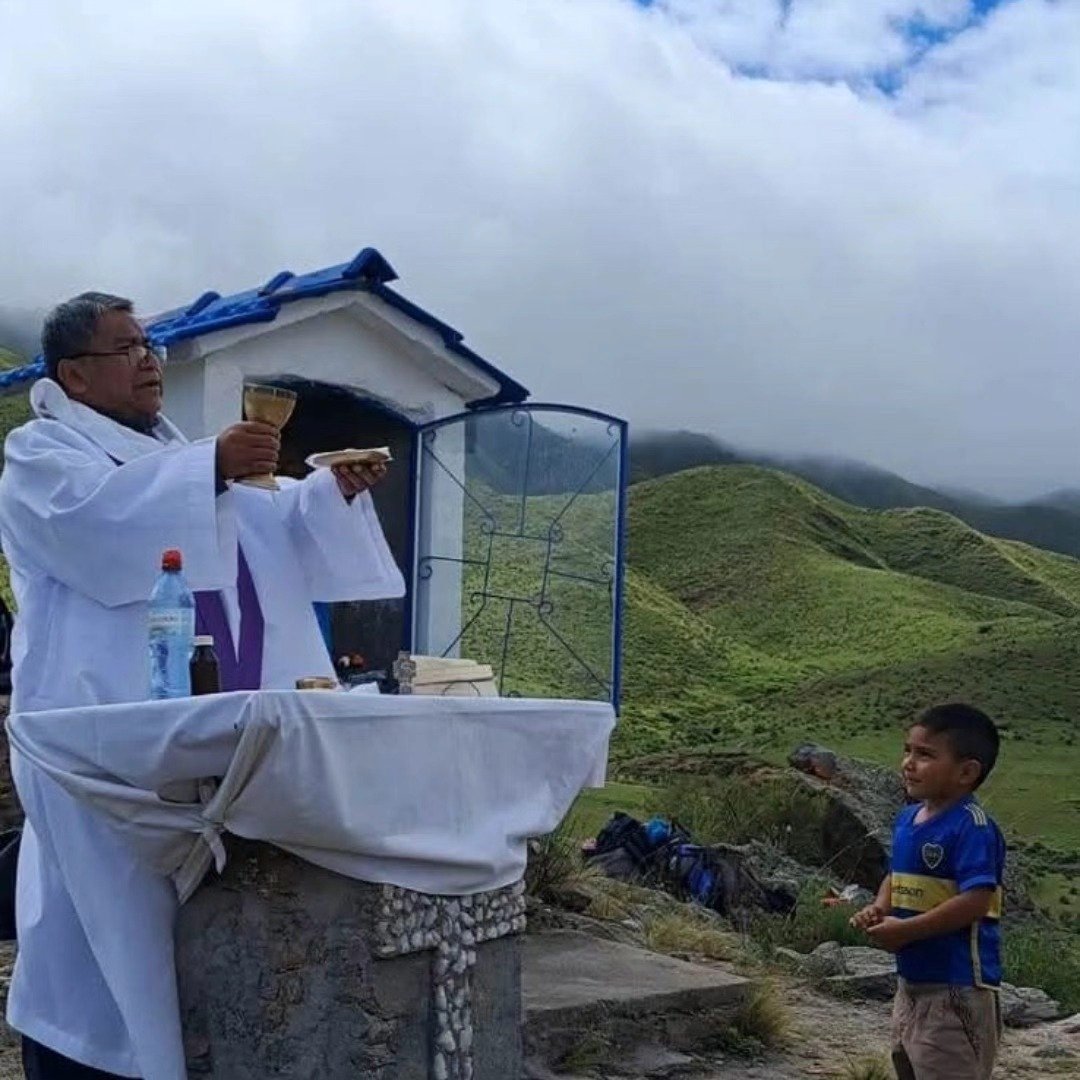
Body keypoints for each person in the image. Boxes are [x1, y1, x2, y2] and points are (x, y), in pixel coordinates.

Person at [0, 293, 406, 1079]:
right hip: (97, 745)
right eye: (126, 349)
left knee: (190, 945)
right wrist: (211, 468)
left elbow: (261, 529)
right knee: (103, 937)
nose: (148, 360)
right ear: (75, 375)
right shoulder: (42, 454)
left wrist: (331, 493)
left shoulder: (176, 454)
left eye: (148, 345)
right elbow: (94, 526)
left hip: (202, 736)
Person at [850, 703, 1006, 1080]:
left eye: (925, 755)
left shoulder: (972, 827)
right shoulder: (908, 818)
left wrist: (906, 931)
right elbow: (897, 875)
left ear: (966, 772)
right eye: (907, 750)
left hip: (956, 988)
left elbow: (976, 901)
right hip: (911, 984)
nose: (908, 763)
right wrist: (880, 907)